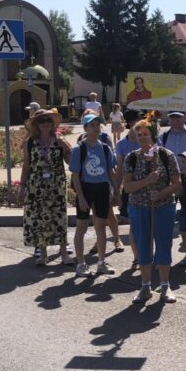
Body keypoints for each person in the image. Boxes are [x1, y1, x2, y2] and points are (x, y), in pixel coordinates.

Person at [122, 120, 181, 304]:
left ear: (153, 135)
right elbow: (128, 187)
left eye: (145, 134)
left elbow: (177, 184)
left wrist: (161, 193)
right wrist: (147, 181)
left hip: (163, 208)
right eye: (139, 135)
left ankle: (165, 286)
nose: (142, 138)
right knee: (143, 246)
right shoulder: (131, 157)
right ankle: (145, 286)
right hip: (139, 208)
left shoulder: (165, 155)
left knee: (164, 245)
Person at [70, 115, 119, 276]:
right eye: (92, 125)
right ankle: (81, 264)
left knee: (101, 226)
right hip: (86, 189)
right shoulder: (79, 149)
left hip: (102, 189)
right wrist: (81, 198)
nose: (96, 128)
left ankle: (101, 262)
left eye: (98, 125)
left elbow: (111, 172)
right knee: (81, 227)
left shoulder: (105, 148)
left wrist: (116, 191)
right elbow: (75, 176)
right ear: (85, 128)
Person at [19, 108, 70, 266]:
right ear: (35, 124)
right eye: (41, 121)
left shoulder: (58, 139)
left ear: (52, 123)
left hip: (56, 185)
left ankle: (64, 254)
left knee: (59, 217)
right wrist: (22, 187)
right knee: (39, 218)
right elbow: (26, 166)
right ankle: (43, 254)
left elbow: (70, 162)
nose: (45, 124)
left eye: (48, 120)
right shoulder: (30, 142)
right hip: (36, 186)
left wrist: (66, 148)